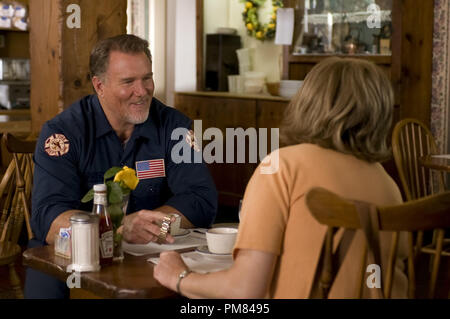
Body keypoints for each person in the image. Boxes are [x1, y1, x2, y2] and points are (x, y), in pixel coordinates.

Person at [153, 57, 408, 298]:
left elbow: (245, 289)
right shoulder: (387, 184)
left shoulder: (281, 167)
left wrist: (180, 276)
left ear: (308, 104)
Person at [25, 34, 218, 298]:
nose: (143, 91)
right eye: (128, 82)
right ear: (99, 85)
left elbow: (200, 199)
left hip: (153, 251)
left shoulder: (175, 126)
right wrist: (117, 231)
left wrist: (153, 228)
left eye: (147, 78)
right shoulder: (62, 133)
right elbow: (48, 217)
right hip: (73, 254)